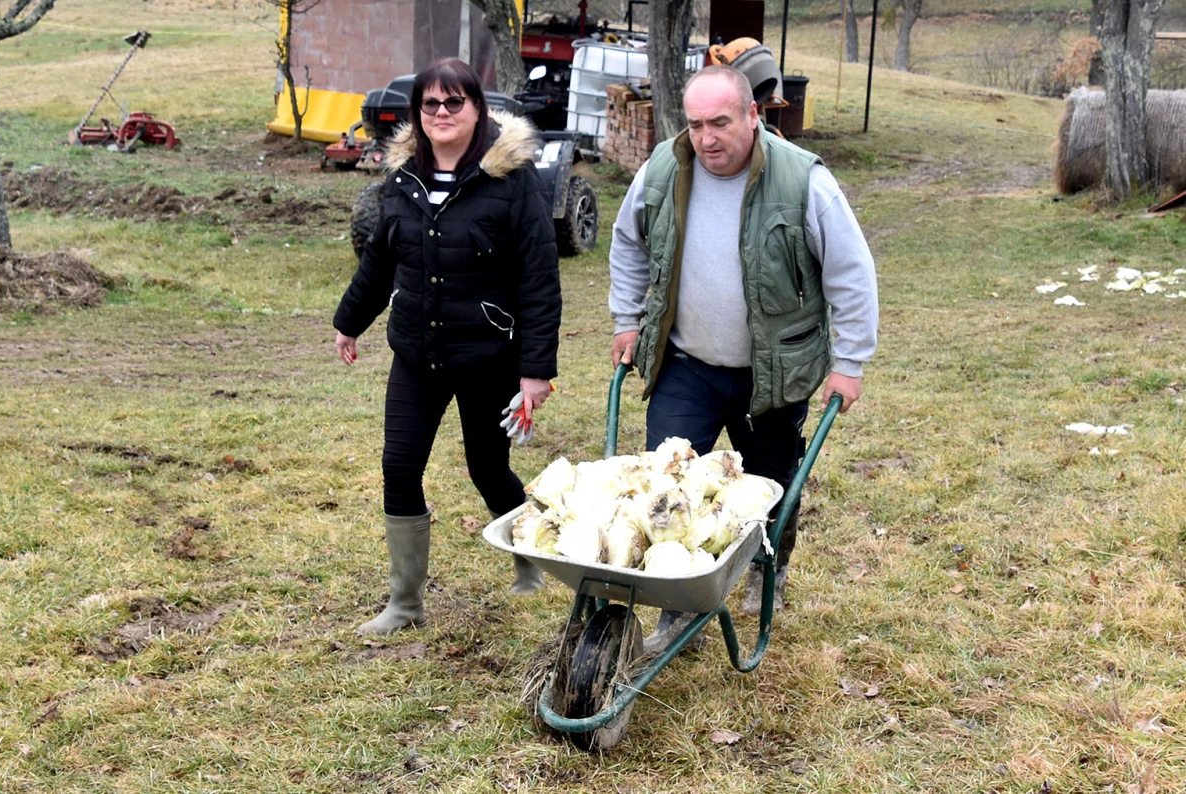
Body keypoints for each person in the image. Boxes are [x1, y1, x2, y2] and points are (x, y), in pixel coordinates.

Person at [608, 66, 878, 652]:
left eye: (721, 123)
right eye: (697, 124)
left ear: (753, 115)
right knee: (670, 485)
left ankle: (766, 572)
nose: (707, 139)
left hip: (772, 372)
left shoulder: (802, 180)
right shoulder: (663, 168)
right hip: (687, 365)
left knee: (772, 484)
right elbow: (628, 241)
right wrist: (628, 319)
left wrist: (850, 361)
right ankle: (676, 608)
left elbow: (850, 272)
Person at [333, 59, 561, 636]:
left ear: (477, 108)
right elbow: (381, 259)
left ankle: (530, 556)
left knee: (489, 468)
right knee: (399, 466)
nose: (441, 114)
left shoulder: (513, 182)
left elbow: (539, 278)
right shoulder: (402, 178)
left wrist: (535, 371)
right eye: (430, 104)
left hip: (488, 357)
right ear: (417, 113)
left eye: (453, 102)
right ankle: (404, 603)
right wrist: (350, 321)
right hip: (417, 353)